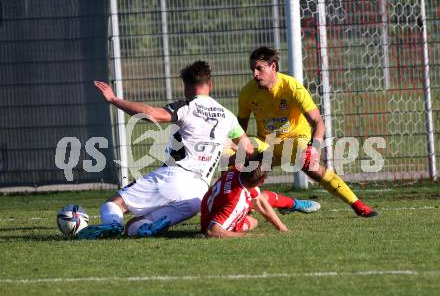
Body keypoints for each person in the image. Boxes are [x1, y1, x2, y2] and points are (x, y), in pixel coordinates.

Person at [78, 60, 254, 239]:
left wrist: (114, 99)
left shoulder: (187, 106)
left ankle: (112, 224)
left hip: (174, 176)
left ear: (186, 87)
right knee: (133, 226)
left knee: (114, 204)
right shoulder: (228, 116)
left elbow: (152, 114)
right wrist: (221, 152)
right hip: (197, 196)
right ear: (210, 85)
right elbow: (247, 149)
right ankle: (148, 228)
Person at [237, 46, 378, 217]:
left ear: (273, 66)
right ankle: (242, 210)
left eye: (259, 68)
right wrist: (239, 153)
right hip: (268, 144)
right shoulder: (247, 93)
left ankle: (358, 205)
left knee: (310, 165)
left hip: (296, 139)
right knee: (235, 159)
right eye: (252, 69)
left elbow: (318, 122)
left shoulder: (292, 87)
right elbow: (239, 130)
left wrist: (315, 147)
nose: (255, 74)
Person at [201, 154, 288, 238]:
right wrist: (251, 236)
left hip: (209, 210)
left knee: (257, 198)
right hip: (212, 222)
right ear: (262, 182)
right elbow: (211, 231)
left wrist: (281, 227)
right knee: (253, 222)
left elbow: (259, 202)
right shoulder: (237, 201)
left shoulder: (237, 170)